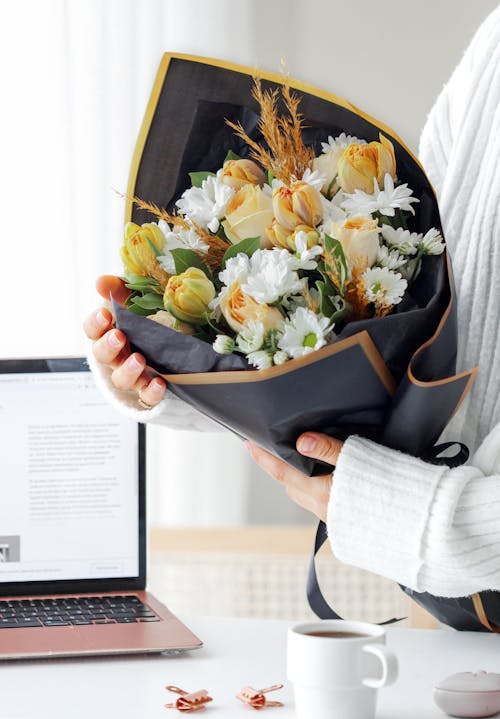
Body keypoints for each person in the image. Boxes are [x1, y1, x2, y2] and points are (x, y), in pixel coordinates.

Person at [84, 7, 500, 600]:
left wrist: (409, 517)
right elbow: (424, 258)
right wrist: (166, 361)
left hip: (445, 561)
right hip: (459, 615)